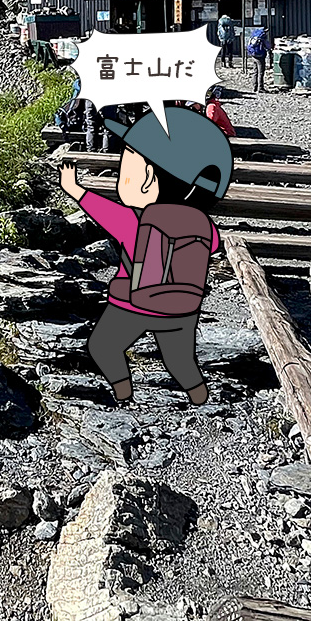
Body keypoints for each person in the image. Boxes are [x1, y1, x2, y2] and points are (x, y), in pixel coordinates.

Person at [58, 107, 233, 407]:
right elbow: (214, 245)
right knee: (180, 361)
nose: (120, 176)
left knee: (103, 346)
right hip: (184, 306)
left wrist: (74, 189)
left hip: (134, 302)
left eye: (126, 168)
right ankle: (198, 394)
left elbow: (102, 210)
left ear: (148, 179)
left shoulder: (135, 221)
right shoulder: (205, 224)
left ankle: (124, 393)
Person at [247, 25, 272, 92]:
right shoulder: (262, 36)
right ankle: (260, 88)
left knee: (255, 72)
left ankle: (254, 87)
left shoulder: (255, 34)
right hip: (260, 56)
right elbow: (268, 46)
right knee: (261, 72)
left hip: (253, 55)